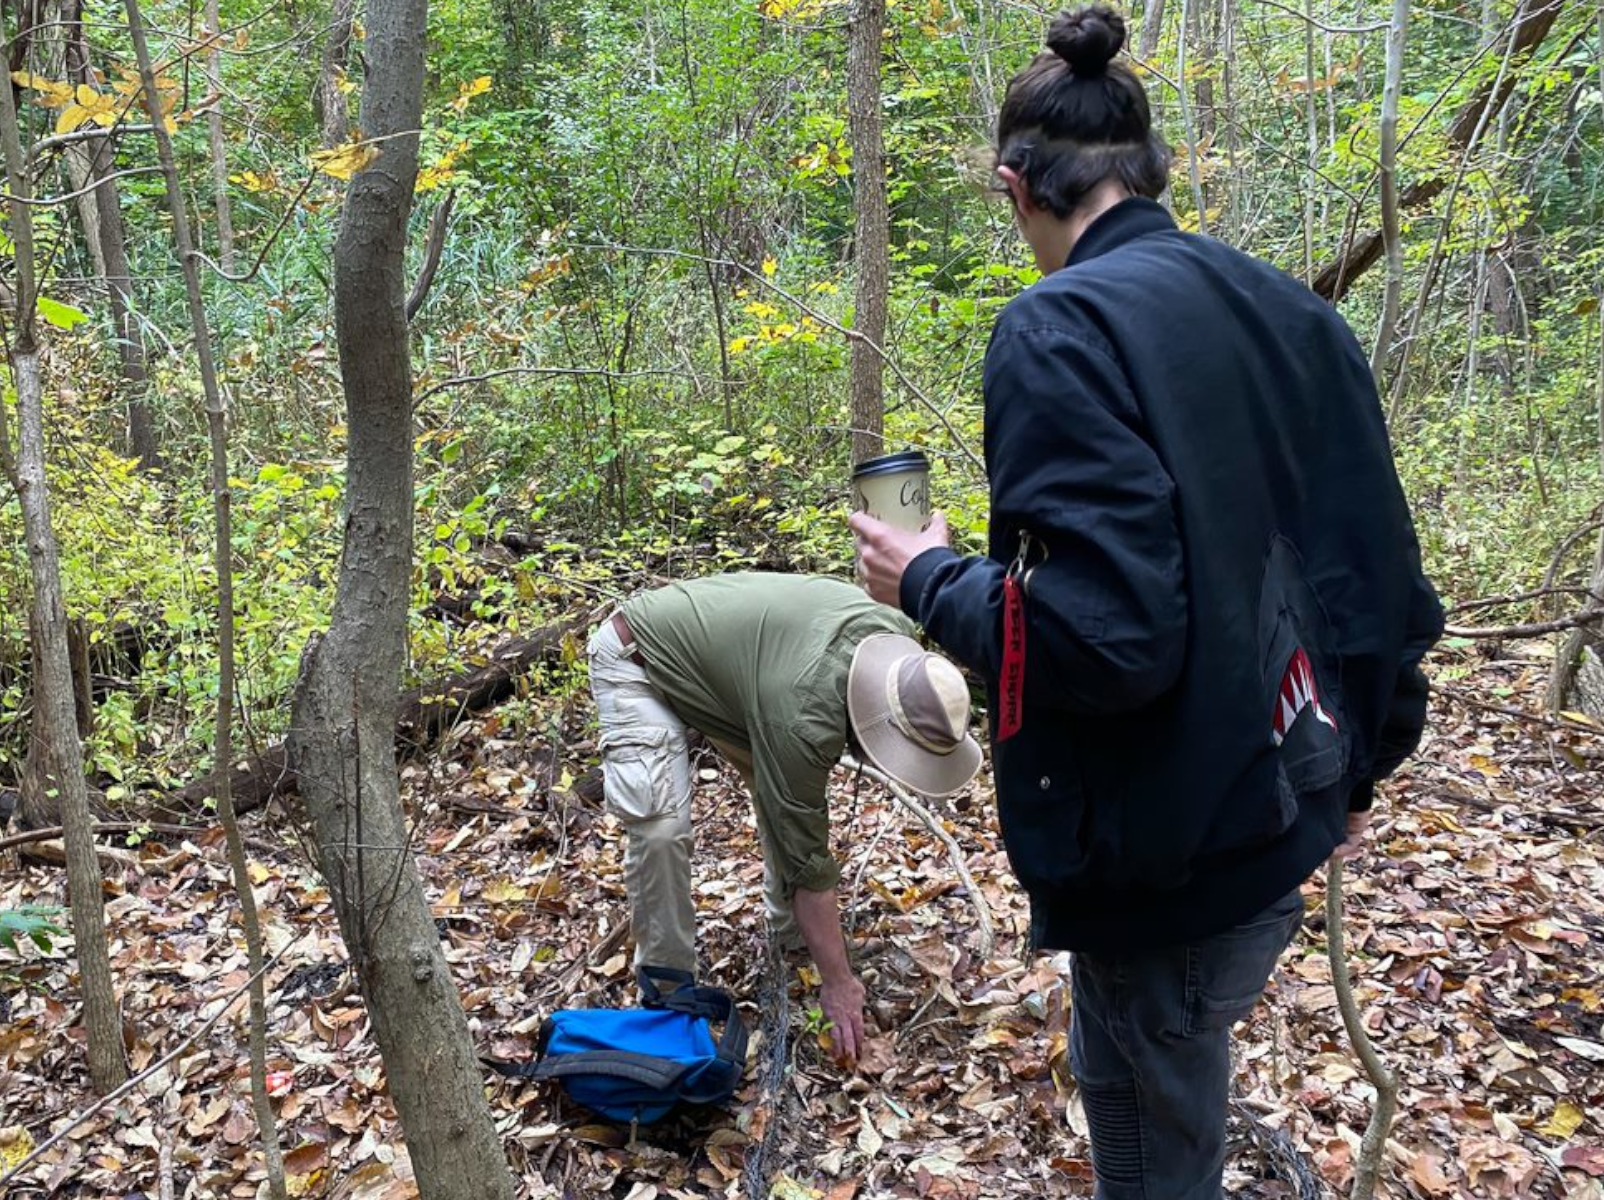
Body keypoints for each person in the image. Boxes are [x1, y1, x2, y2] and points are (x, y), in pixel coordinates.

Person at [848, 6, 1444, 1197]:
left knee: (1157, 1127)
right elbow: (1384, 585)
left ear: (1013, 182)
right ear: (1146, 168)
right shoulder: (1292, 311)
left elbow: (1101, 642)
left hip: (1174, 852)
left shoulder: (1058, 327)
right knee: (1138, 1069)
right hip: (1283, 805)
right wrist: (1358, 770)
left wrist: (925, 580)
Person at [587, 572, 982, 1063]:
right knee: (662, 827)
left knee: (778, 791)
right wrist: (838, 983)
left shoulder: (893, 633)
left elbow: (793, 813)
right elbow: (807, 858)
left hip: (746, 680)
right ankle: (666, 985)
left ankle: (790, 936)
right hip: (636, 655)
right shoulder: (803, 718)